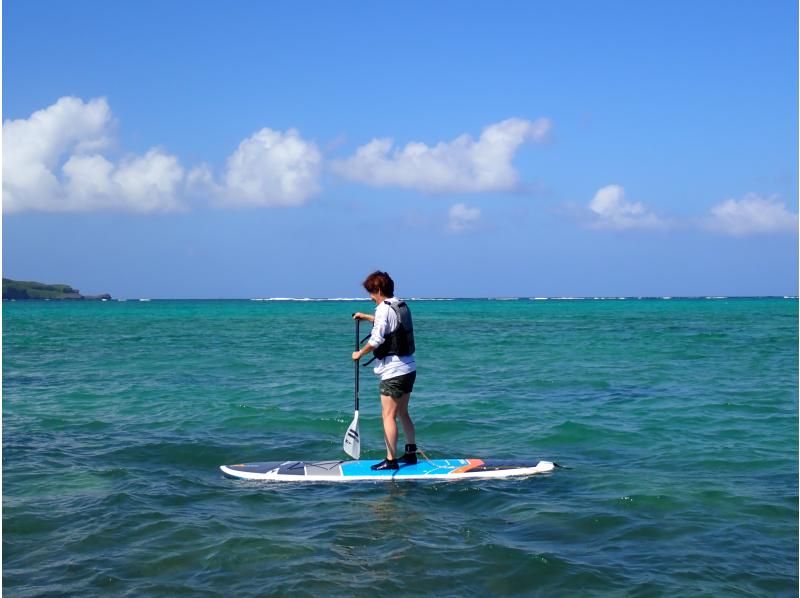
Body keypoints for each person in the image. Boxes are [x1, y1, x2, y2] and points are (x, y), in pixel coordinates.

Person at [352, 271, 418, 470]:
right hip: (409, 368)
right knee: (403, 413)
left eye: (371, 293)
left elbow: (376, 340)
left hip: (393, 371)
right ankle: (410, 453)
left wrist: (360, 354)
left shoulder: (383, 309)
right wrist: (366, 317)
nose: (370, 297)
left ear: (378, 290)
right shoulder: (399, 304)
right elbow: (390, 324)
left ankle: (391, 460)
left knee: (388, 416)